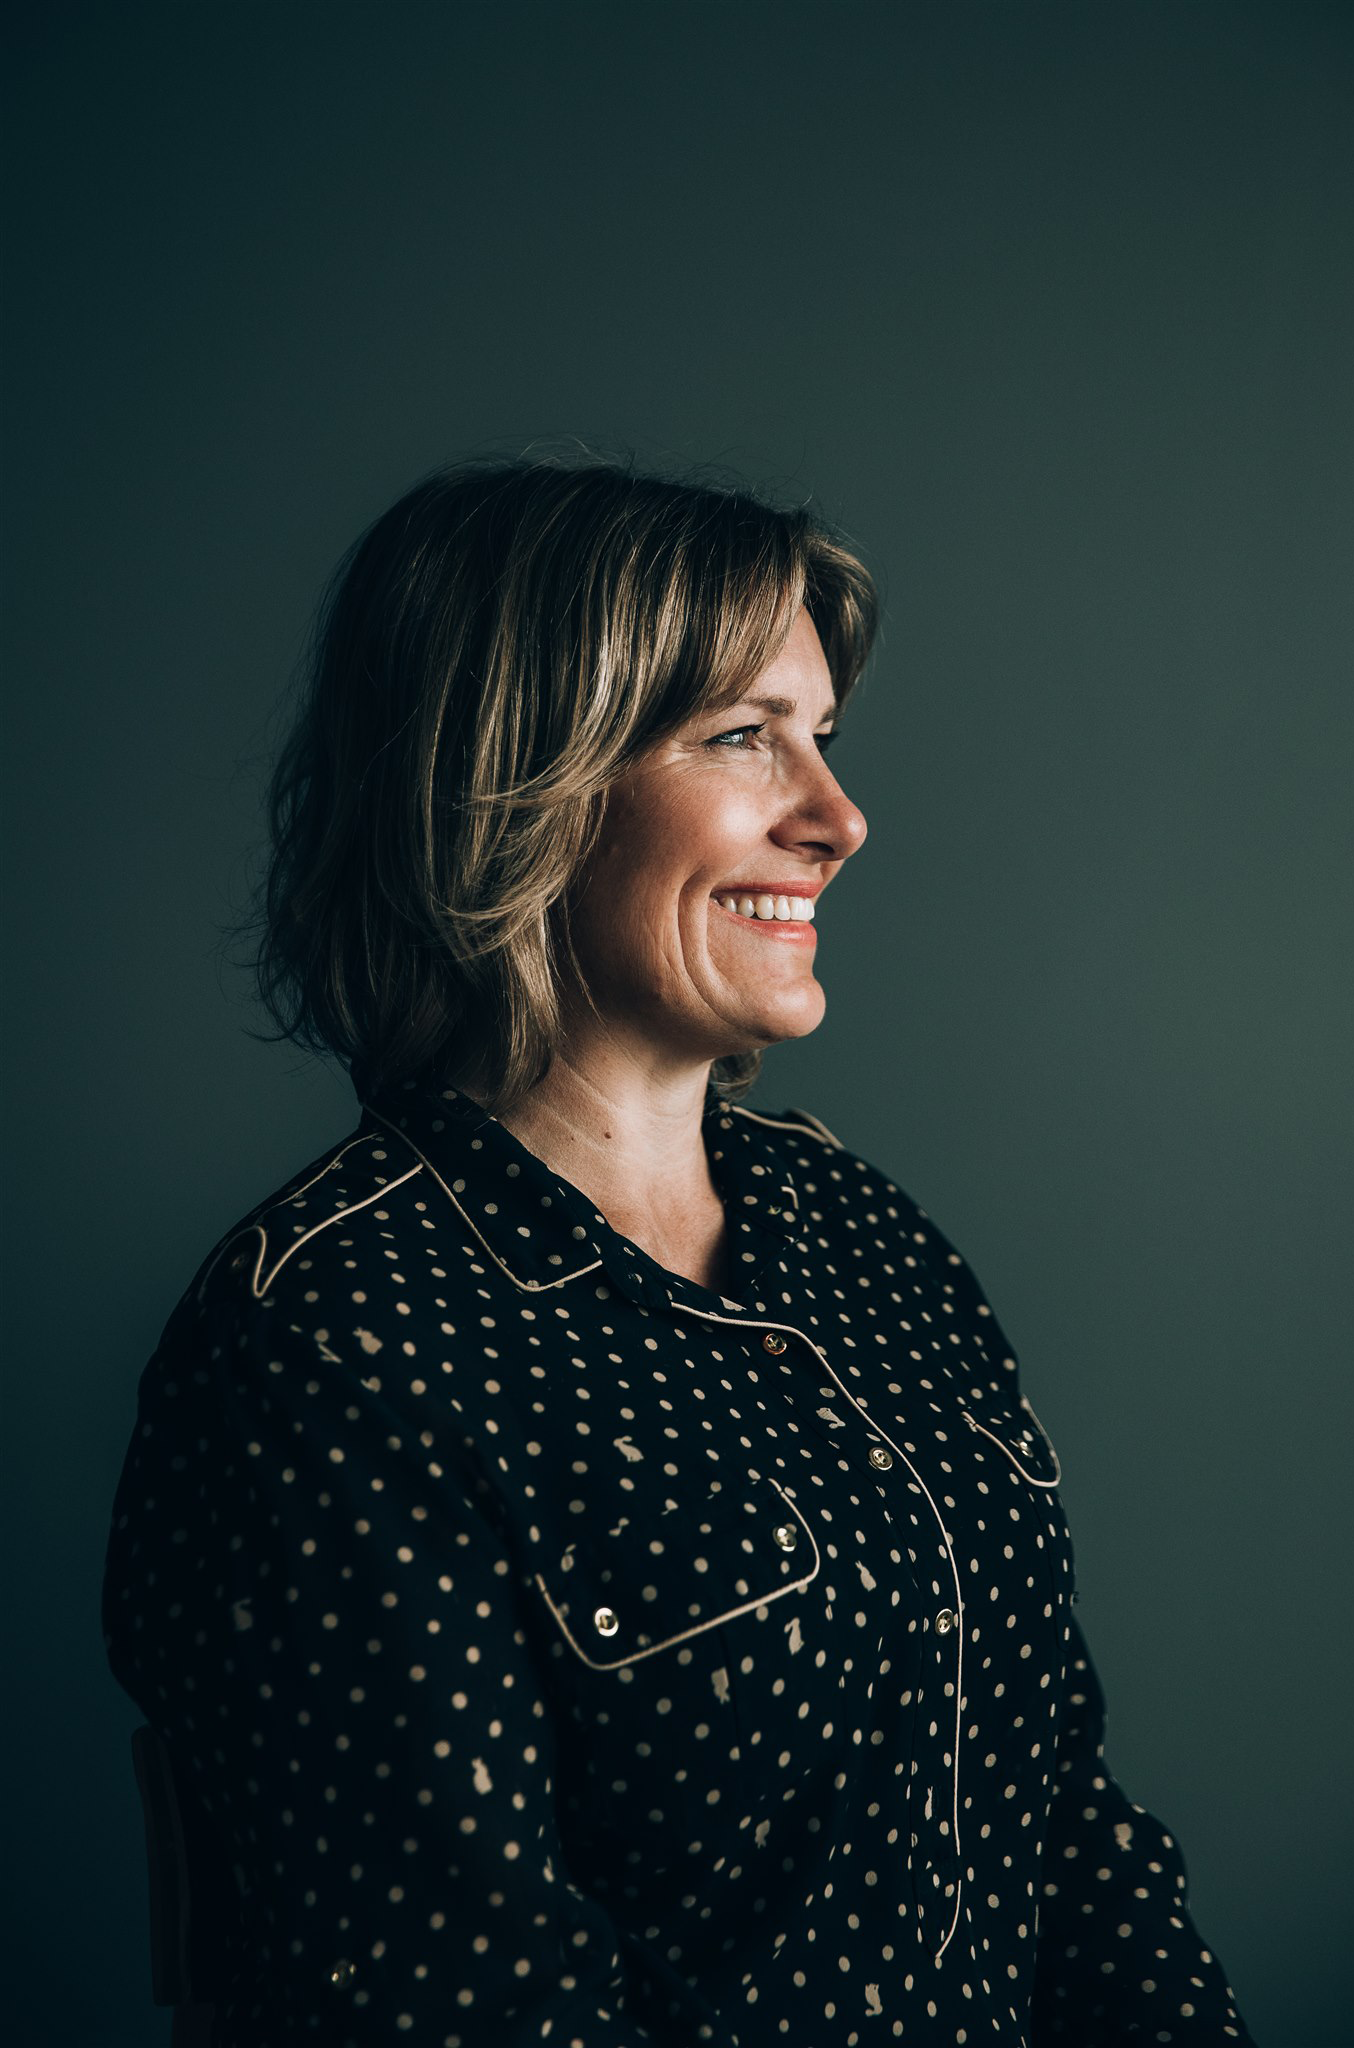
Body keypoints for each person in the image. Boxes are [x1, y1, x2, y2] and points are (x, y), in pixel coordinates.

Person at [102, 455, 1257, 2046]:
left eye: (824, 737)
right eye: (739, 736)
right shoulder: (333, 1346)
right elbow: (477, 2006)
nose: (837, 818)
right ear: (521, 773)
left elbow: (1064, 1822)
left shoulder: (861, 1235)